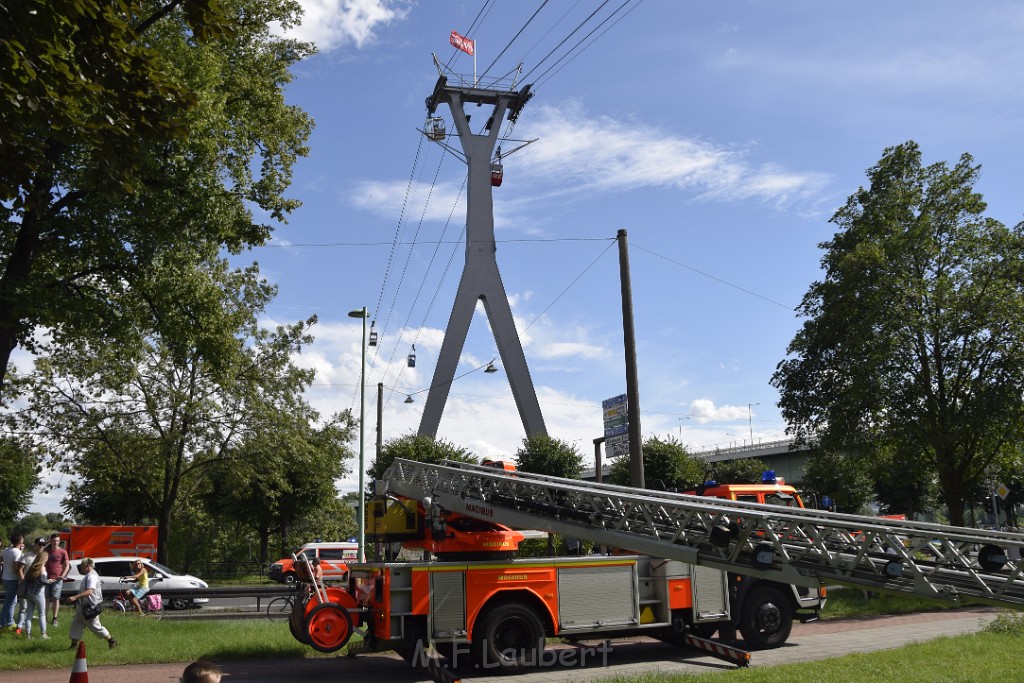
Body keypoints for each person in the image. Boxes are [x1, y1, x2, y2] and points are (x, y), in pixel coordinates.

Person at [66, 558, 117, 650]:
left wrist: (75, 597)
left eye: (82, 566)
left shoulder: (91, 577)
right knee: (76, 624)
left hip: (90, 607)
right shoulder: (88, 575)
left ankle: (111, 640)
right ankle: (73, 645)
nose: (80, 568)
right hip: (84, 606)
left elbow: (89, 591)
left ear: (87, 566)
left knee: (95, 626)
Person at [16, 549, 49, 639]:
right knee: (42, 614)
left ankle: (28, 634)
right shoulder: (42, 568)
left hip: (29, 594)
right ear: (44, 559)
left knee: (29, 614)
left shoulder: (31, 568)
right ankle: (43, 634)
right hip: (38, 594)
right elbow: (43, 581)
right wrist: (49, 581)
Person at [44, 533, 69, 628]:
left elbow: (67, 565)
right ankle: (44, 618)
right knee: (46, 598)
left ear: (59, 541)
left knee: (55, 598)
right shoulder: (46, 551)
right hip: (46, 578)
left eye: (57, 541)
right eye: (54, 541)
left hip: (57, 579)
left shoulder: (63, 552)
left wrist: (63, 575)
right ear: (51, 541)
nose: (56, 542)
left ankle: (54, 618)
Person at [0, 534, 24, 631]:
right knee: (8, 602)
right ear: (20, 541)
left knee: (13, 601)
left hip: (4, 578)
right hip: (12, 580)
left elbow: (1, 560)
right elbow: (15, 568)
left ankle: (10, 621)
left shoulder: (6, 550)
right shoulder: (17, 552)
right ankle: (1, 622)